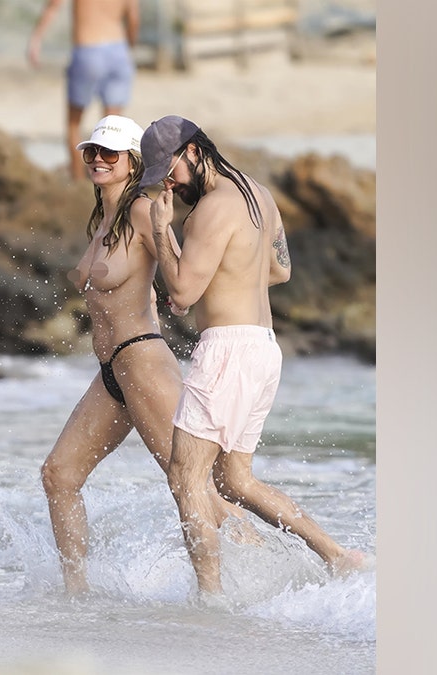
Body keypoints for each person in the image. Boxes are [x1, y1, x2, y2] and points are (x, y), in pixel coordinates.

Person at [139, 115, 372, 596]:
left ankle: (210, 597)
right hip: (263, 348)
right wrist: (230, 277)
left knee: (186, 476)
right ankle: (339, 557)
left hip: (228, 350)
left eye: (171, 171)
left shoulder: (208, 211)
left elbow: (181, 294)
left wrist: (164, 231)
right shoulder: (257, 193)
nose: (168, 183)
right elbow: (281, 269)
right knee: (234, 481)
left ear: (195, 151)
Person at [41, 115, 249, 596]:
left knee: (192, 487)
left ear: (133, 161)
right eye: (91, 150)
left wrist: (186, 294)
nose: (97, 158)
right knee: (59, 475)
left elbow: (180, 271)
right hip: (110, 373)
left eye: (109, 153)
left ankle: (264, 571)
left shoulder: (140, 208)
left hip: (143, 362)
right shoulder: (104, 220)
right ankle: (77, 596)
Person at [27, 0, 140, 182]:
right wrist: (127, 49)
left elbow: (53, 6)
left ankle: (79, 183)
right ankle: (112, 184)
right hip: (118, 50)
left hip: (88, 48)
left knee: (74, 124)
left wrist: (36, 40)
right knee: (113, 127)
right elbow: (134, 20)